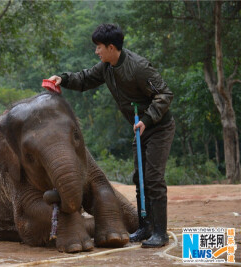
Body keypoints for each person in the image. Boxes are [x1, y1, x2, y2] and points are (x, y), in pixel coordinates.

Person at [45, 23, 175, 248]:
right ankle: (145, 228)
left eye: (99, 47)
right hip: (139, 127)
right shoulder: (107, 67)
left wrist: (147, 119)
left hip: (157, 127)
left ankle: (160, 233)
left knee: (152, 179)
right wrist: (62, 79)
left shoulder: (139, 67)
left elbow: (164, 94)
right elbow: (85, 79)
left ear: (112, 47)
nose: (96, 51)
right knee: (140, 179)